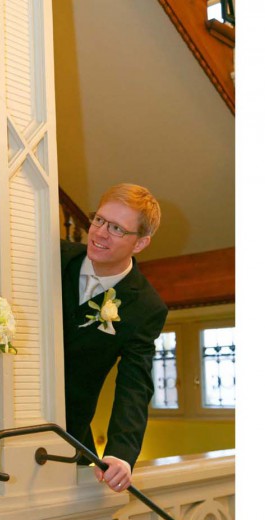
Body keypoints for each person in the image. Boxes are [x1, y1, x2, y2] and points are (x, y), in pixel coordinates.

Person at [60, 184, 168, 493]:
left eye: (117, 229)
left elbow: (134, 384)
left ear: (140, 243)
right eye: (99, 220)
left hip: (69, 438)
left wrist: (121, 453)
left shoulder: (146, 307)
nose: (100, 233)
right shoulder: (55, 255)